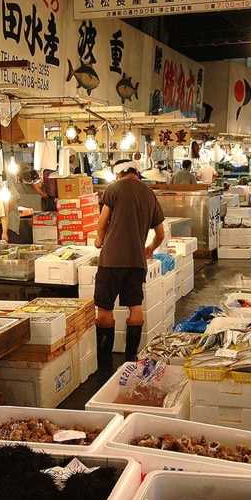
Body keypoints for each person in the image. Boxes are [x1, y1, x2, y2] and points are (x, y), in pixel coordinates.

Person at [94, 159, 165, 376]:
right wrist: (149, 248)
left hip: (111, 261)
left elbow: (102, 221)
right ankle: (130, 359)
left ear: (117, 174)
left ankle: (105, 364)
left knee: (104, 310)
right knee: (135, 307)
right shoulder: (149, 193)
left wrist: (99, 239)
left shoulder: (113, 189)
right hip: (136, 262)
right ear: (136, 172)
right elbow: (160, 234)